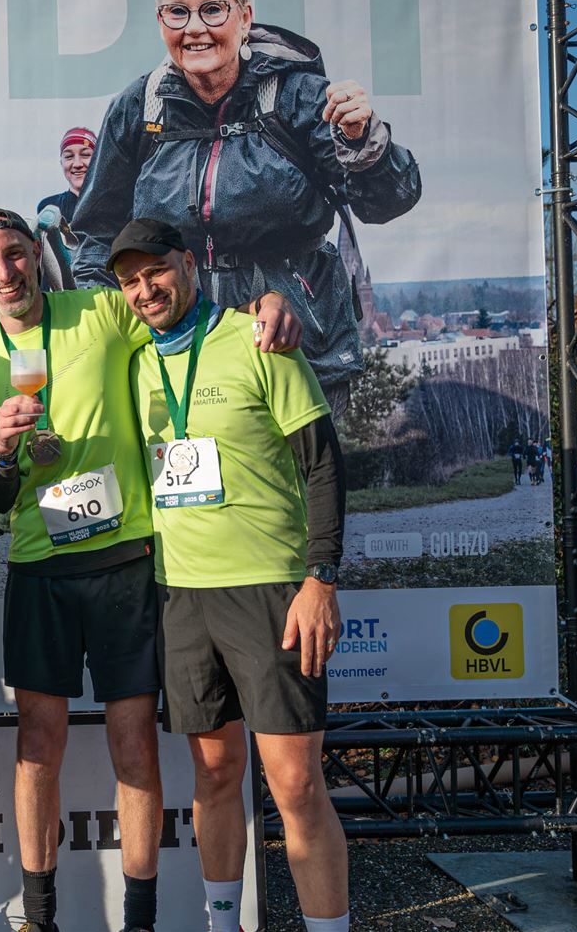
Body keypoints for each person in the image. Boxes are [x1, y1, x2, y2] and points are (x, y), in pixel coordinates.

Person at [0, 208, 300, 932]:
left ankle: (139, 919)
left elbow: (189, 322)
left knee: (134, 745)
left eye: (14, 253)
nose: (4, 272)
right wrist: (3, 452)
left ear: (36, 255)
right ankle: (39, 918)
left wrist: (265, 301)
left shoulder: (103, 310)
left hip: (124, 562)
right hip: (42, 569)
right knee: (36, 749)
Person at [110, 217, 349, 932]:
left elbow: (324, 465)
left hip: (271, 588)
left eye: (156, 270)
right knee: (215, 775)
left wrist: (321, 579)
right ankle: (223, 924)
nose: (145, 289)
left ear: (189, 264)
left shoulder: (260, 340)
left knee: (296, 783)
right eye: (130, 281)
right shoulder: (135, 361)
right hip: (182, 595)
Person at [72, 0, 422, 416]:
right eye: (178, 12)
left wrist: (364, 143)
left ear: (244, 17)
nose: (195, 28)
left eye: (213, 9)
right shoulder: (138, 110)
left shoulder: (299, 97)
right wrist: (118, 333)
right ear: (161, 21)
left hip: (293, 343)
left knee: (295, 467)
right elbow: (98, 236)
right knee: (187, 466)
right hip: (179, 347)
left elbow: (388, 202)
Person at [36, 127, 96, 223]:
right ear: (61, 163)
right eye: (69, 156)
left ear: (98, 160)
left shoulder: (114, 205)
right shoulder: (49, 207)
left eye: (85, 155)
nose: (77, 164)